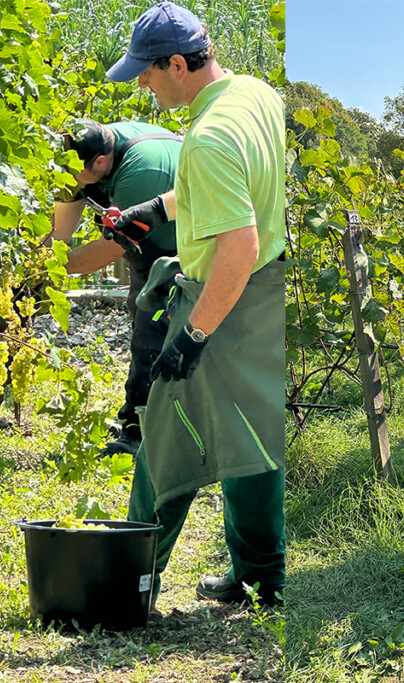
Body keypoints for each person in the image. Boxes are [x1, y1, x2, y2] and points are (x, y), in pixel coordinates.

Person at [105, 1, 286, 607]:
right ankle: (264, 578)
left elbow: (238, 246)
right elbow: (238, 183)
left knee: (163, 435)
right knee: (254, 439)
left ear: (177, 65)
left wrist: (193, 336)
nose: (142, 85)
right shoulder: (254, 96)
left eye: (146, 73)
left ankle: (129, 585)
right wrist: (157, 209)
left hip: (226, 298)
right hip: (267, 297)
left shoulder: (206, 136)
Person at [51, 119, 181, 456]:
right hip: (152, 243)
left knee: (152, 332)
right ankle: (136, 417)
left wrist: (51, 269)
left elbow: (109, 251)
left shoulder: (140, 173)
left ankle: (139, 435)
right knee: (143, 321)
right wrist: (43, 256)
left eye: (72, 173)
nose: (65, 179)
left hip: (183, 250)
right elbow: (59, 231)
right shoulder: (88, 146)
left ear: (100, 163)